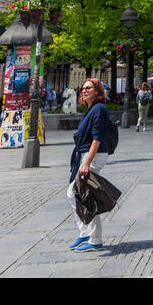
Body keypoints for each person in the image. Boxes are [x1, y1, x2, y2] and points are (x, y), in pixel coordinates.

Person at [65, 78, 112, 252]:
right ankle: (87, 234)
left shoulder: (99, 109)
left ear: (97, 91)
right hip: (86, 155)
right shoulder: (91, 109)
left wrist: (87, 163)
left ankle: (94, 238)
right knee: (77, 194)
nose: (84, 91)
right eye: (82, 88)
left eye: (88, 88)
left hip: (94, 156)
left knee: (80, 195)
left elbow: (97, 138)